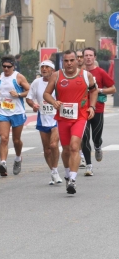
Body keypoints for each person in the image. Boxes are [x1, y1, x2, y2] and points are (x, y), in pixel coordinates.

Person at [44, 50, 98, 194]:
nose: (69, 63)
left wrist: (92, 106)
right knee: (66, 149)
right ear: (63, 62)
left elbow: (94, 91)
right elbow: (46, 94)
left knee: (75, 146)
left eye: (71, 60)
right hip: (63, 117)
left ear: (77, 60)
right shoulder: (56, 76)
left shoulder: (86, 75)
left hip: (80, 116)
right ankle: (68, 174)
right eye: (66, 61)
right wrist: (54, 102)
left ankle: (73, 180)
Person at [81, 47, 116, 176]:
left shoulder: (100, 72)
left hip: (97, 109)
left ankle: (97, 146)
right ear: (83, 58)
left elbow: (113, 89)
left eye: (91, 55)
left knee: (96, 136)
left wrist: (98, 90)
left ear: (94, 57)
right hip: (82, 110)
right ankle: (89, 166)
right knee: (84, 138)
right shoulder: (79, 72)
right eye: (86, 55)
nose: (88, 57)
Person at [26, 60, 62, 185]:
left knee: (53, 145)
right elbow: (29, 98)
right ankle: (53, 171)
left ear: (52, 70)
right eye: (42, 67)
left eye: (47, 67)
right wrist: (34, 105)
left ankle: (56, 170)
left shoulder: (58, 81)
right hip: (43, 117)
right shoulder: (36, 82)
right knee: (47, 149)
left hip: (57, 118)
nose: (44, 69)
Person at [0, 55, 30, 176]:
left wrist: (18, 94)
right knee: (3, 138)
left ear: (13, 66)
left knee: (16, 140)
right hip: (4, 111)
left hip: (17, 112)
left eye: (9, 67)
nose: (6, 69)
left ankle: (18, 158)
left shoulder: (18, 77)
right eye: (4, 66)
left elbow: (30, 91)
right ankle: (3, 163)